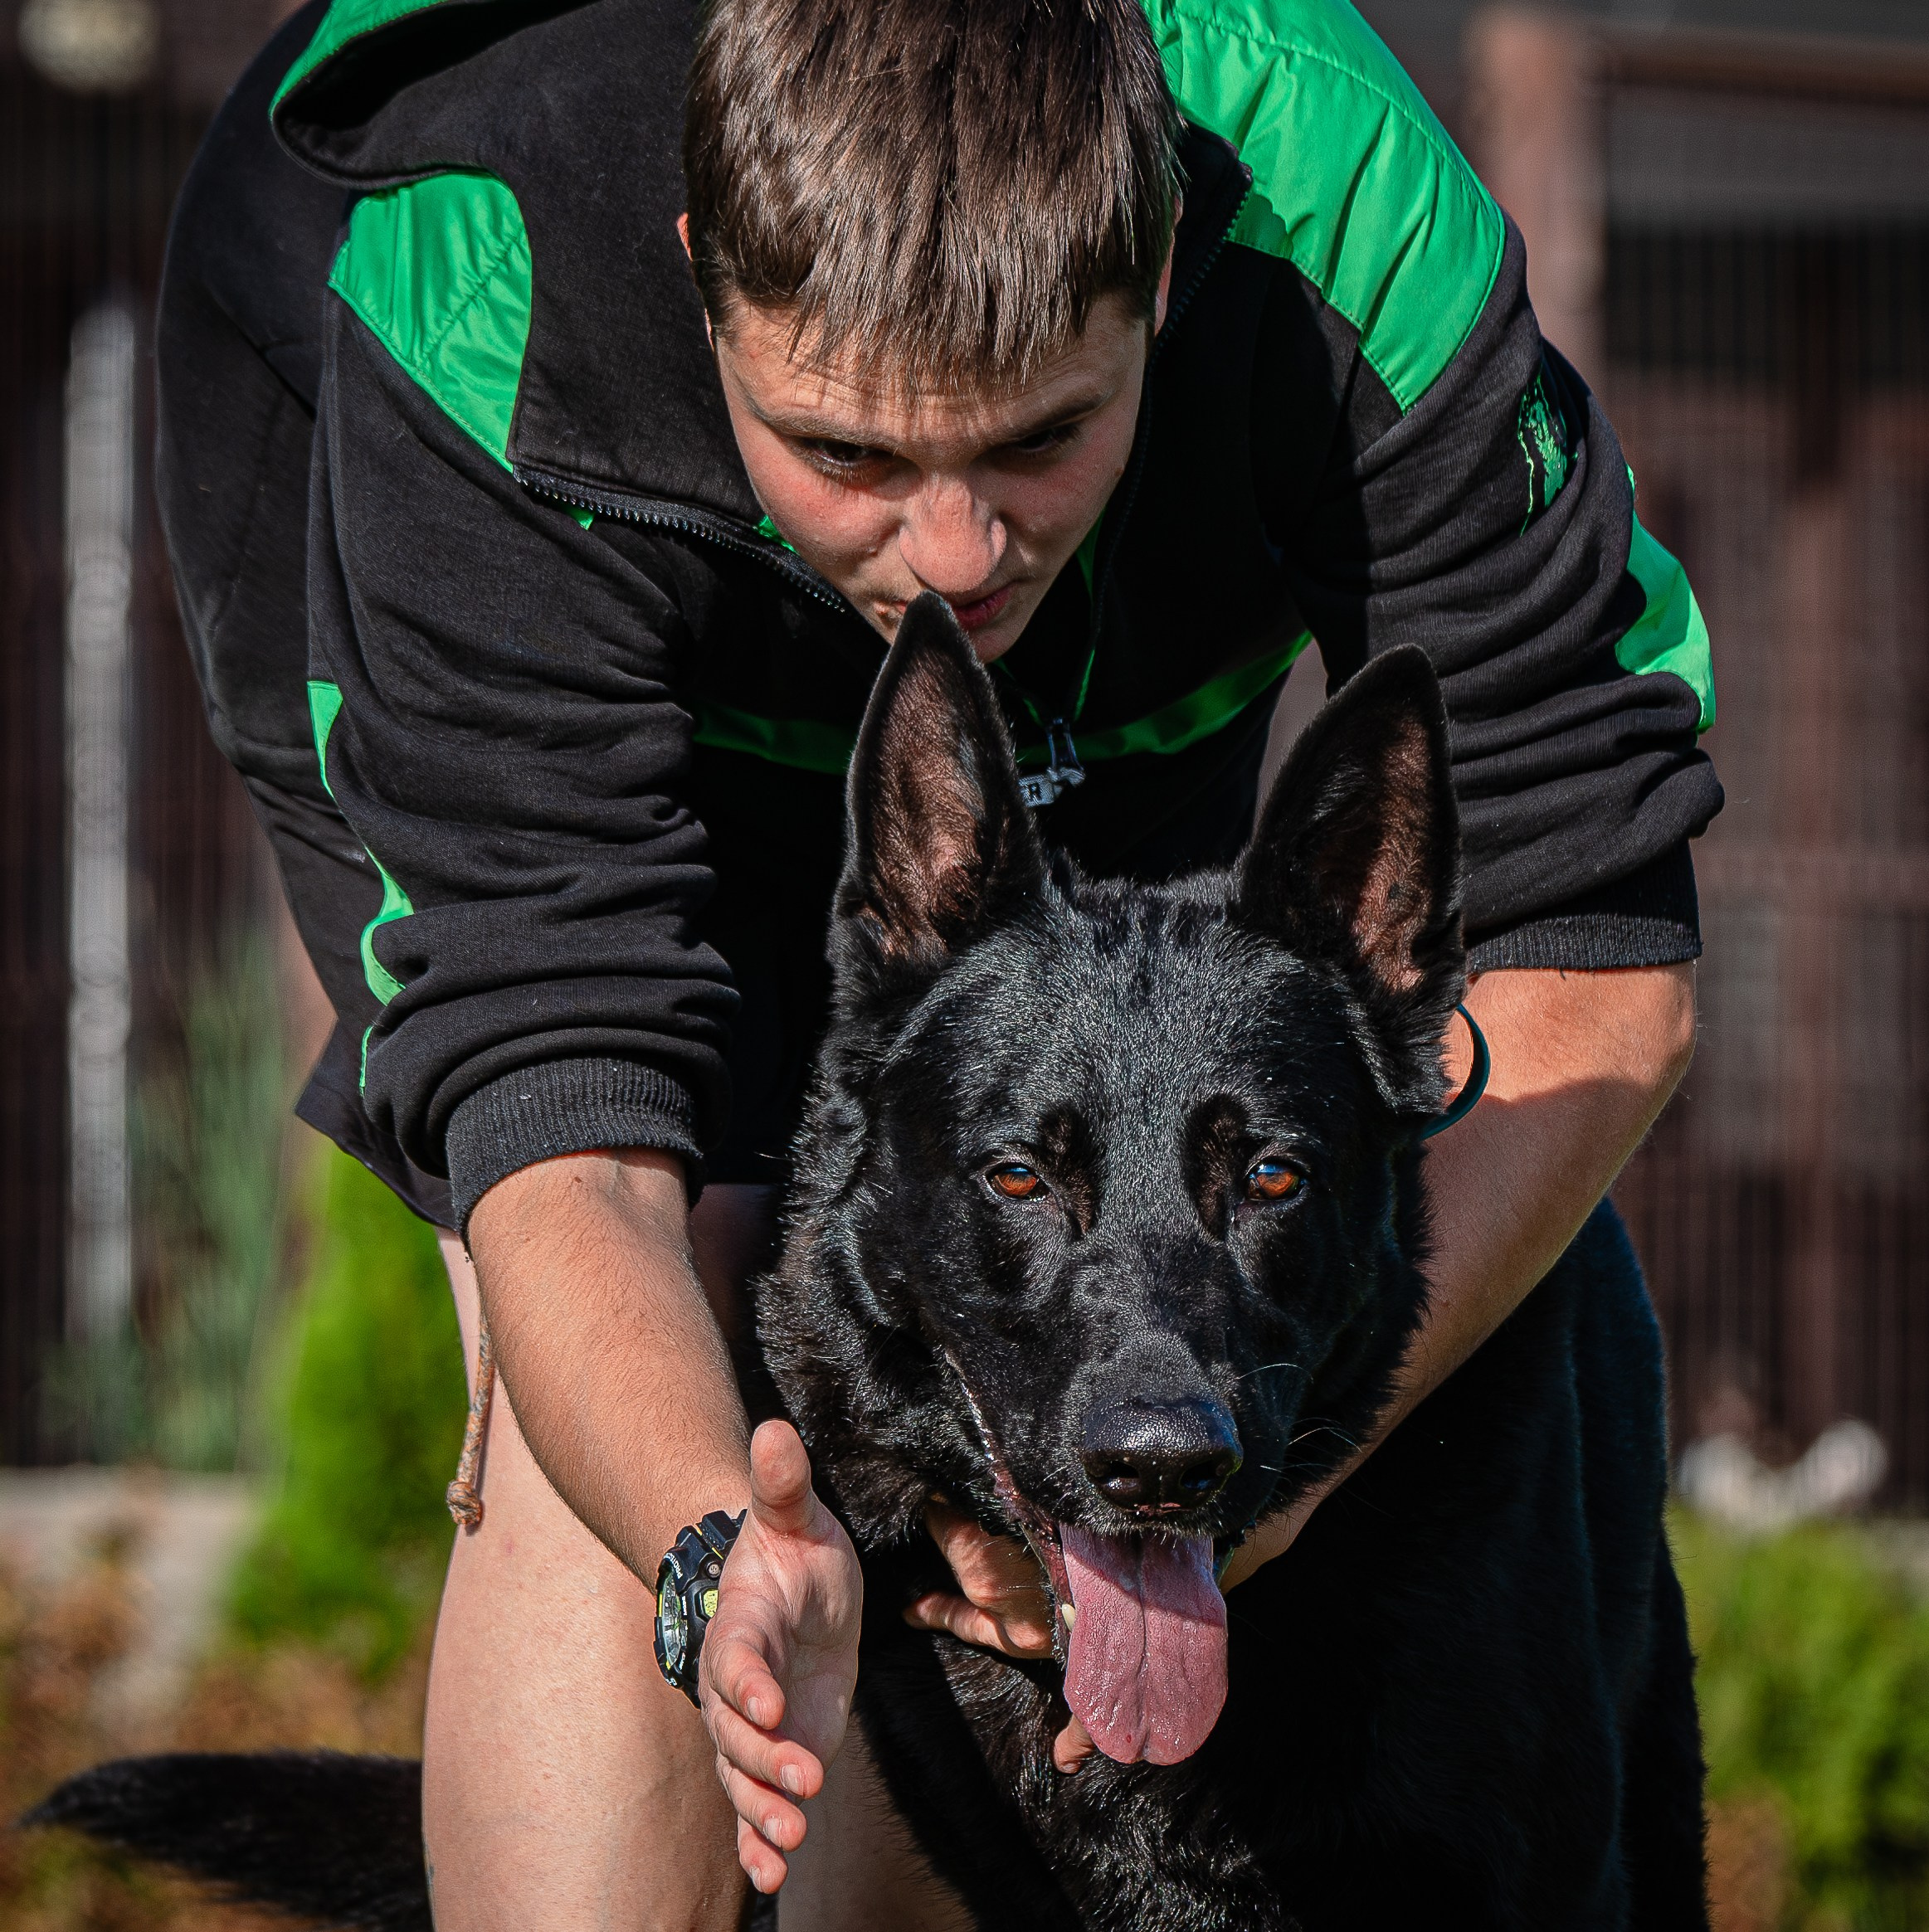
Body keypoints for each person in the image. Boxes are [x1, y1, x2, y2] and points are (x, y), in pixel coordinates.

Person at [156, 0, 1721, 1921]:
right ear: (703, 281)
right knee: (683, 1306)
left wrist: (1279, 1454)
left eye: (1037, 435)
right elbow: (568, 1144)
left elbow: (1595, 943)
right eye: (849, 449)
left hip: (1130, 630)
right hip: (538, 528)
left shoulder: (1331, 194)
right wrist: (714, 1545)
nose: (957, 550)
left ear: (1159, 270)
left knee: (1119, 1099)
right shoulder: (475, 295)